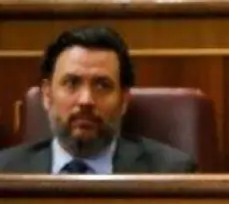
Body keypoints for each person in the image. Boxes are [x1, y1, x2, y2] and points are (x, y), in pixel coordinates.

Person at [0, 26, 195, 174]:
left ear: (124, 100)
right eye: (71, 83)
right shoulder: (6, 172)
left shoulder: (170, 172)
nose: (86, 100)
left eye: (102, 85)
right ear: (47, 95)